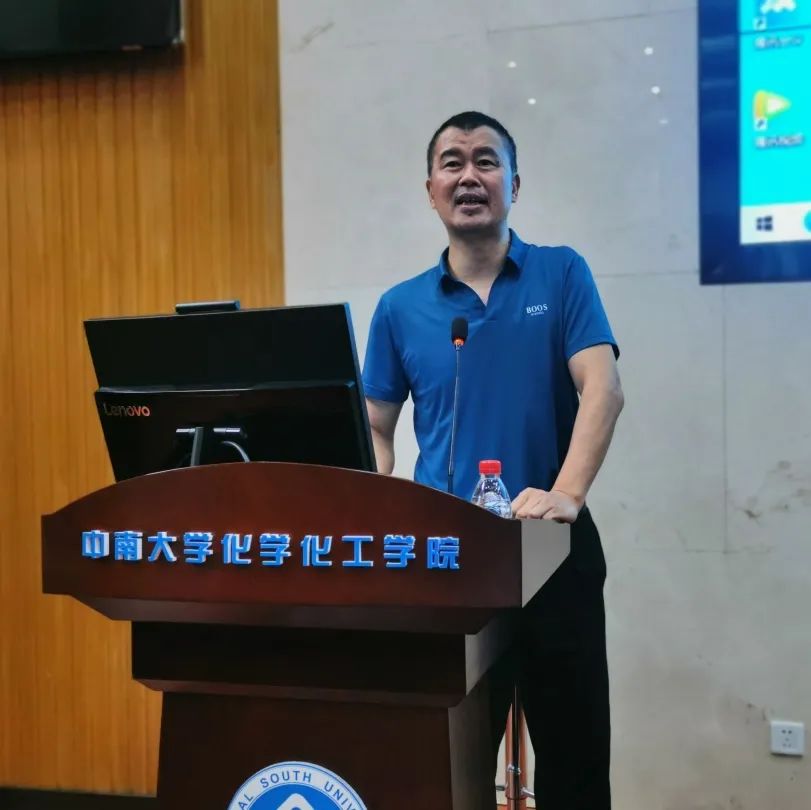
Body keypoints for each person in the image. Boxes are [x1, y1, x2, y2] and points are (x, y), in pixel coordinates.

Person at [362, 110, 623, 809]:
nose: (468, 175)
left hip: (551, 550)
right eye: (451, 162)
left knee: (573, 764)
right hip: (447, 560)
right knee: (448, 766)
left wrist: (567, 495)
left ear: (514, 183)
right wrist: (369, 502)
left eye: (485, 160)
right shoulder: (399, 307)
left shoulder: (560, 273)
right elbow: (376, 427)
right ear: (430, 189)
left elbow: (602, 388)